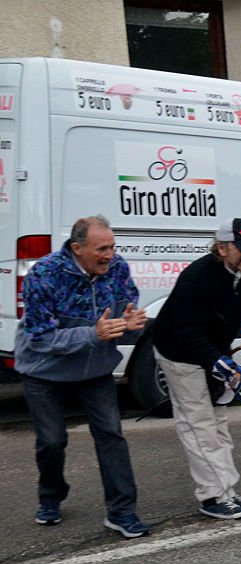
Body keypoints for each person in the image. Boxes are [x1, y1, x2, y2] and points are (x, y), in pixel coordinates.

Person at [16, 215, 150, 537]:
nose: (110, 255)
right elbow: (40, 339)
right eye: (101, 248)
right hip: (44, 370)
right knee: (51, 441)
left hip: (95, 369)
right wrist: (93, 333)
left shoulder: (116, 267)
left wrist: (128, 316)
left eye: (113, 247)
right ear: (76, 248)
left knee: (111, 435)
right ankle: (51, 497)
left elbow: (128, 299)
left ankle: (122, 511)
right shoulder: (44, 275)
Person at [154, 218, 241, 519]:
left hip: (212, 349)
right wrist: (223, 366)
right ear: (221, 247)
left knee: (218, 421)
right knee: (198, 424)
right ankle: (213, 496)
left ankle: (228, 491)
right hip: (180, 352)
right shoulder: (197, 277)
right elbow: (189, 334)